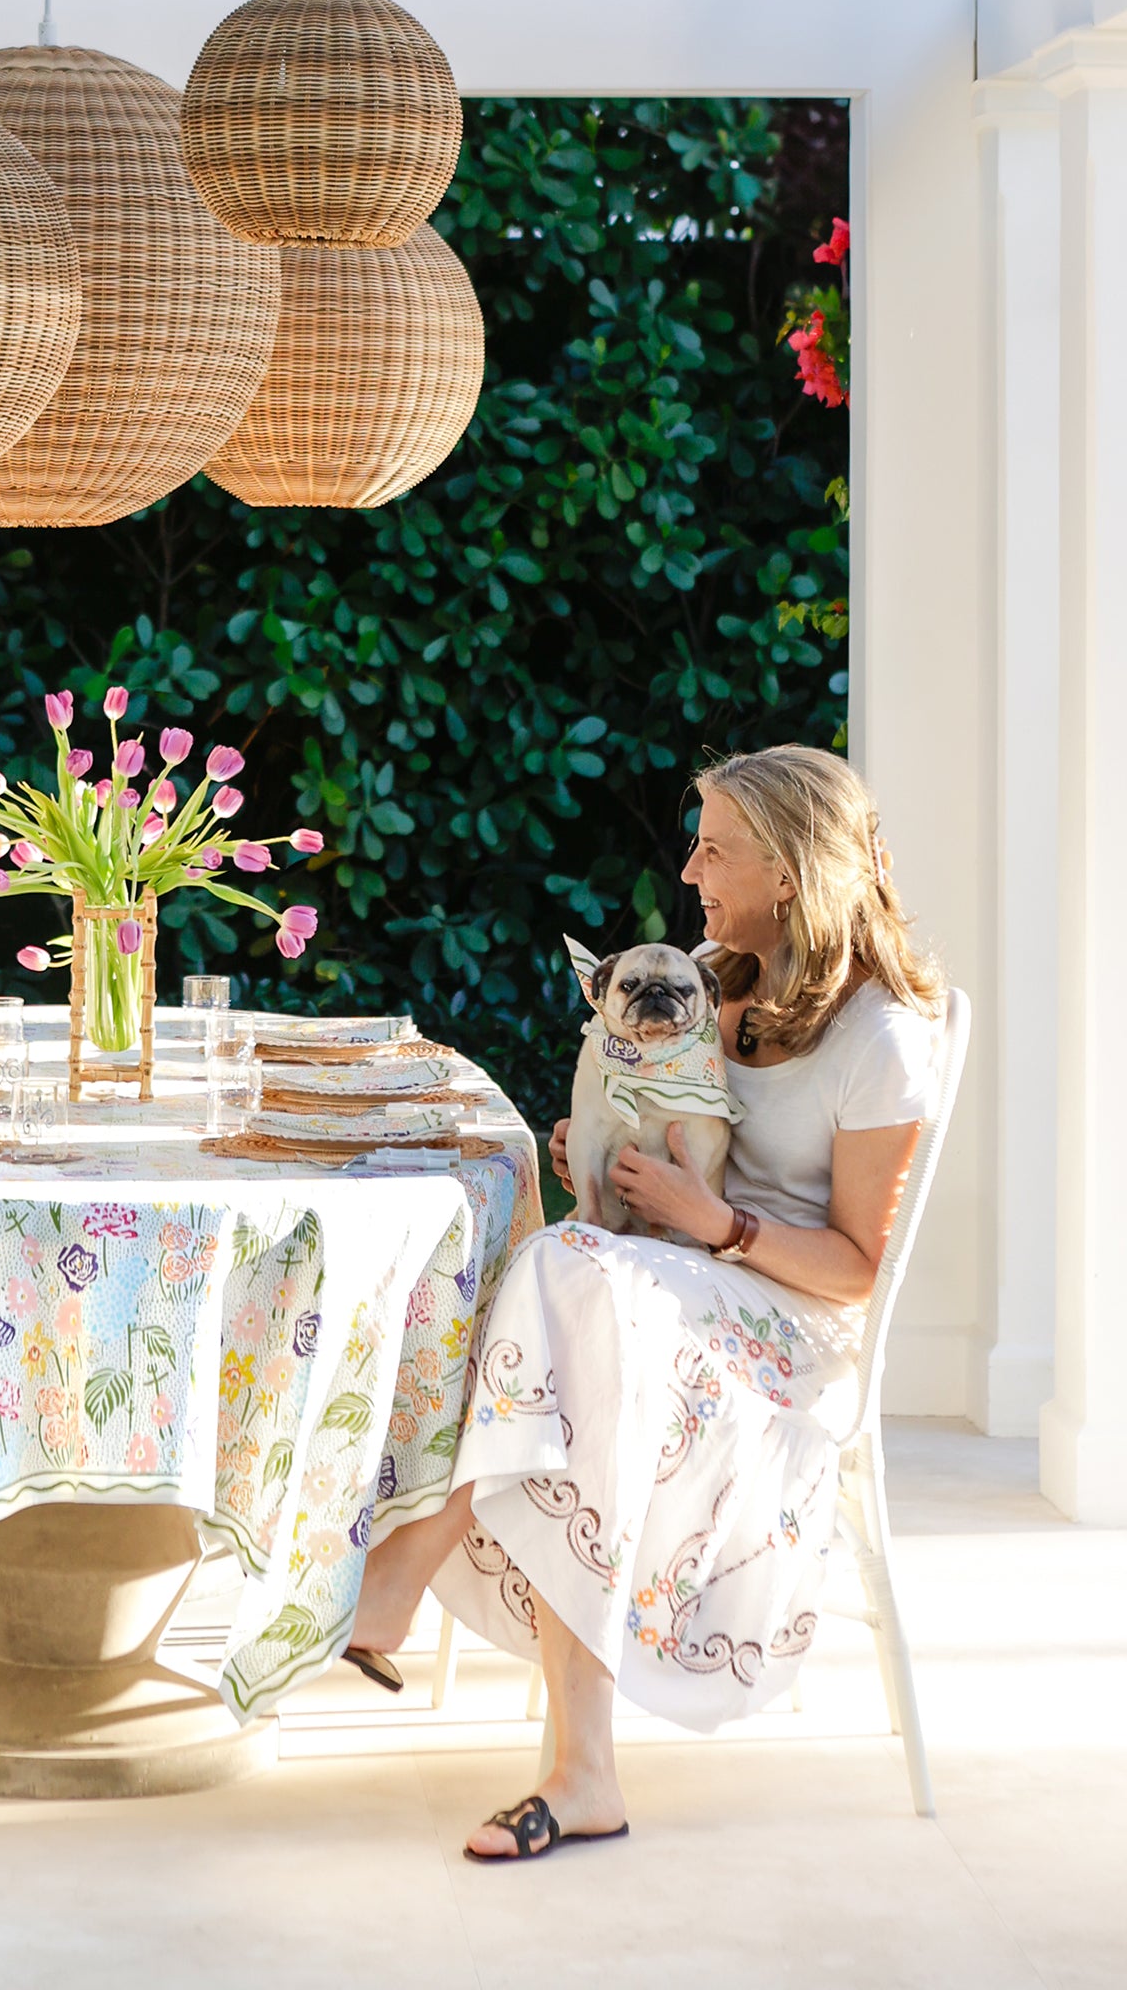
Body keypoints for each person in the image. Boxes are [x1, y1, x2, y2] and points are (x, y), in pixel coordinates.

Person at [348, 744, 944, 1860]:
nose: (689, 869)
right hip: (674, 1276)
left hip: (783, 1323)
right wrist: (606, 1154)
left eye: (713, 846)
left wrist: (710, 1220)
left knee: (567, 1278)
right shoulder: (716, 980)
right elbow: (646, 1120)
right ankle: (577, 1769)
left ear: (789, 869)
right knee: (567, 1273)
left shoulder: (882, 1040)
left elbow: (857, 1268)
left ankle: (405, 1566)